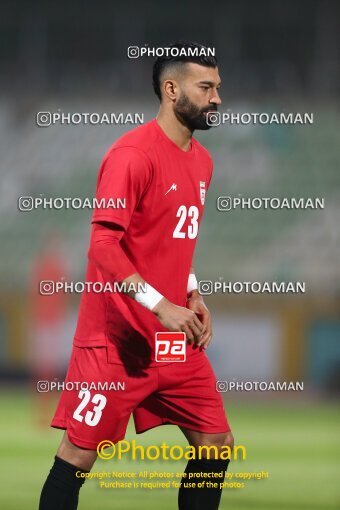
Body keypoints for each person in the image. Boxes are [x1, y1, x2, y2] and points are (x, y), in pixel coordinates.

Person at [39, 41, 233, 510]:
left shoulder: (203, 161)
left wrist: (191, 292)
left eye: (218, 88)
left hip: (173, 338)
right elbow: (103, 246)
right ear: (171, 90)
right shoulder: (131, 154)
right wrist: (160, 304)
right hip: (117, 341)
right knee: (80, 454)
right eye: (205, 87)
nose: (217, 99)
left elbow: (171, 241)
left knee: (217, 443)